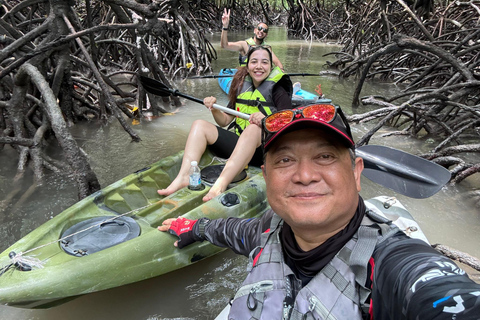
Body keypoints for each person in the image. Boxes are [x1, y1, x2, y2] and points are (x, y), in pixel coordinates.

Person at [159, 104, 480, 319]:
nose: (304, 175)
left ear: (356, 172)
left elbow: (440, 293)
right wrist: (194, 228)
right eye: (284, 160)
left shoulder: (391, 262)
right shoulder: (267, 231)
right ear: (267, 177)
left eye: (325, 156)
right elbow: (232, 231)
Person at [157, 45, 292, 201]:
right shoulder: (242, 87)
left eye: (265, 62)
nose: (259, 66)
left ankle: (220, 185)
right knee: (199, 125)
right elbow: (225, 121)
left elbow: (289, 126)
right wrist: (213, 108)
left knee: (254, 129)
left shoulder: (278, 91)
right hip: (240, 148)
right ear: (247, 66)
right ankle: (184, 176)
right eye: (254, 62)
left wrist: (266, 120)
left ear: (271, 66)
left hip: (266, 151)